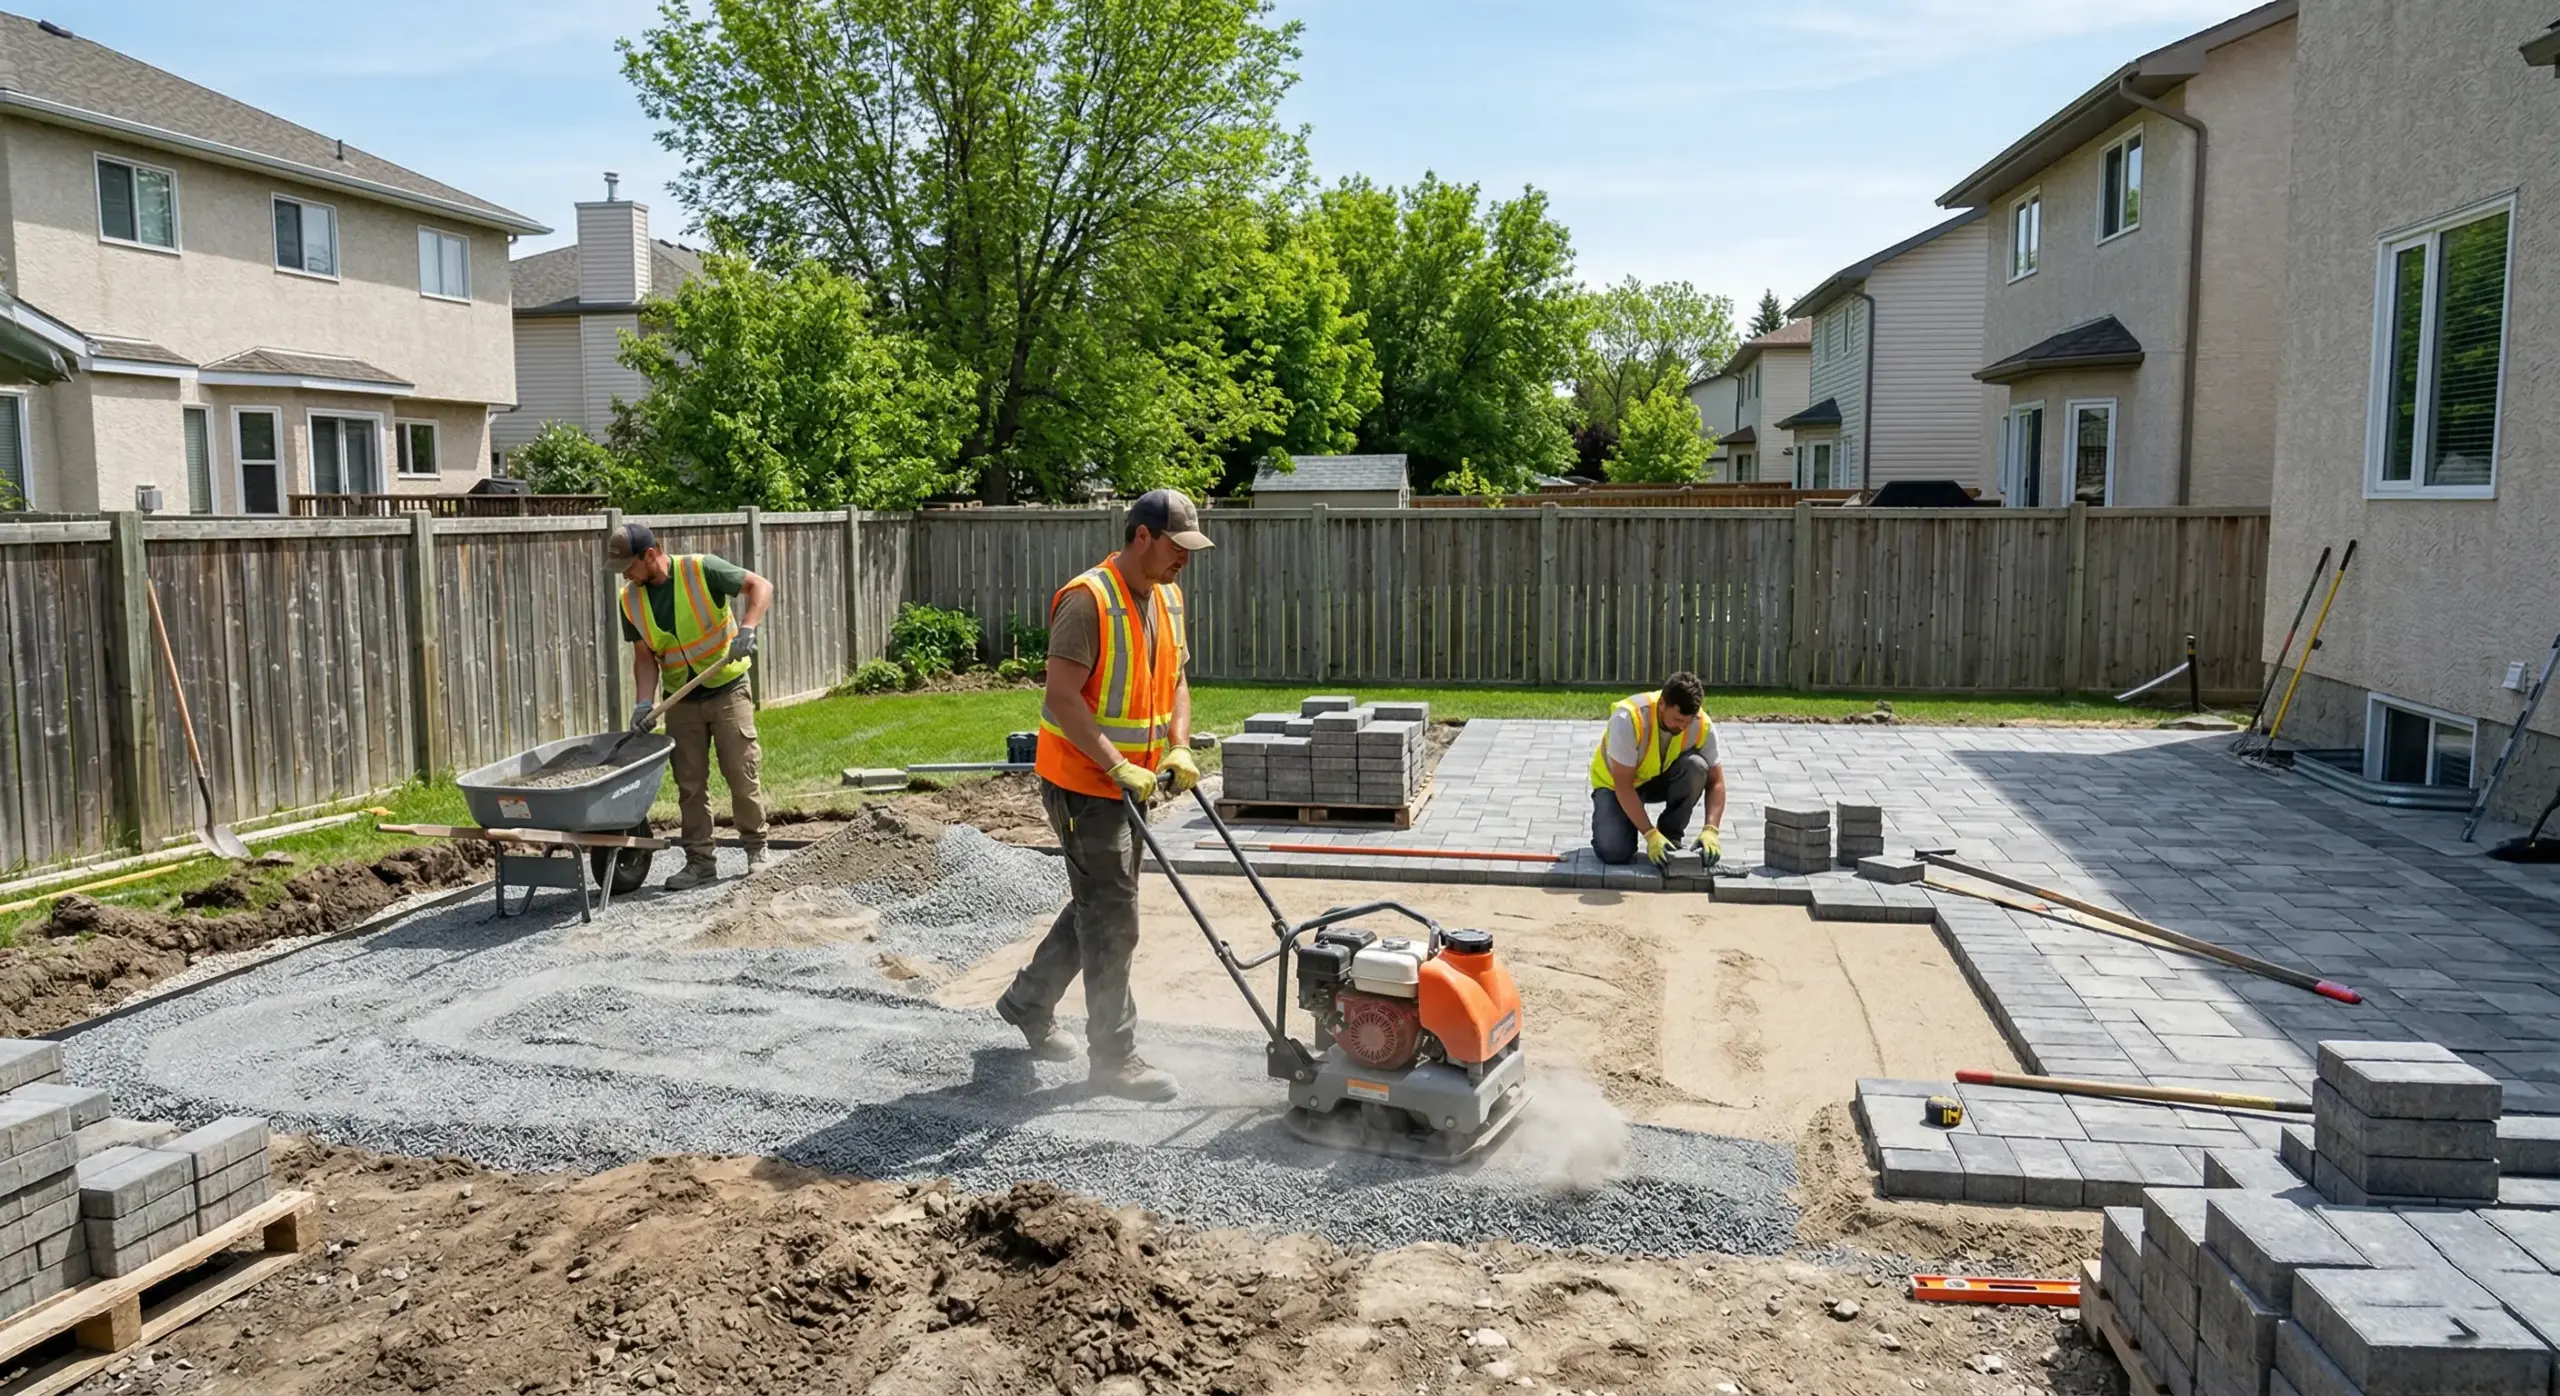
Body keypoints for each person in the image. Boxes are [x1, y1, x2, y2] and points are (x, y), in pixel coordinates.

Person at [996, 489, 1211, 1101]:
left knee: (1100, 903)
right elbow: (1061, 698)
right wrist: (1116, 763)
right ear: (1142, 536)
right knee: (1114, 915)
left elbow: (1177, 681)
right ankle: (1114, 1059)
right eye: (1177, 547)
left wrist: (1178, 746)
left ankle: (1028, 1000)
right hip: (1082, 784)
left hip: (1132, 783)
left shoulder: (1167, 597)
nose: (1185, 560)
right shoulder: (1087, 601)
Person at [607, 522, 774, 890]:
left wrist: (748, 628)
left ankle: (756, 848)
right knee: (689, 784)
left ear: (650, 555)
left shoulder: (701, 569)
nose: (625, 575)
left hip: (727, 687)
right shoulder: (629, 600)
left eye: (629, 566)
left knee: (741, 772)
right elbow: (645, 658)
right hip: (681, 697)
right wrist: (643, 703)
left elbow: (760, 586)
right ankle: (700, 861)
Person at [1589, 671, 1727, 868]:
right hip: (1615, 785)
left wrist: (1711, 830)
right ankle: (1635, 831)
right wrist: (1650, 834)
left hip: (1655, 779)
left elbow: (1716, 782)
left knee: (1696, 767)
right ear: (1662, 703)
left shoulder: (1701, 724)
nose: (1682, 727)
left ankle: (1669, 836)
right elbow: (1623, 786)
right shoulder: (1628, 718)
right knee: (1614, 851)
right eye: (1677, 719)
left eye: (1687, 721)